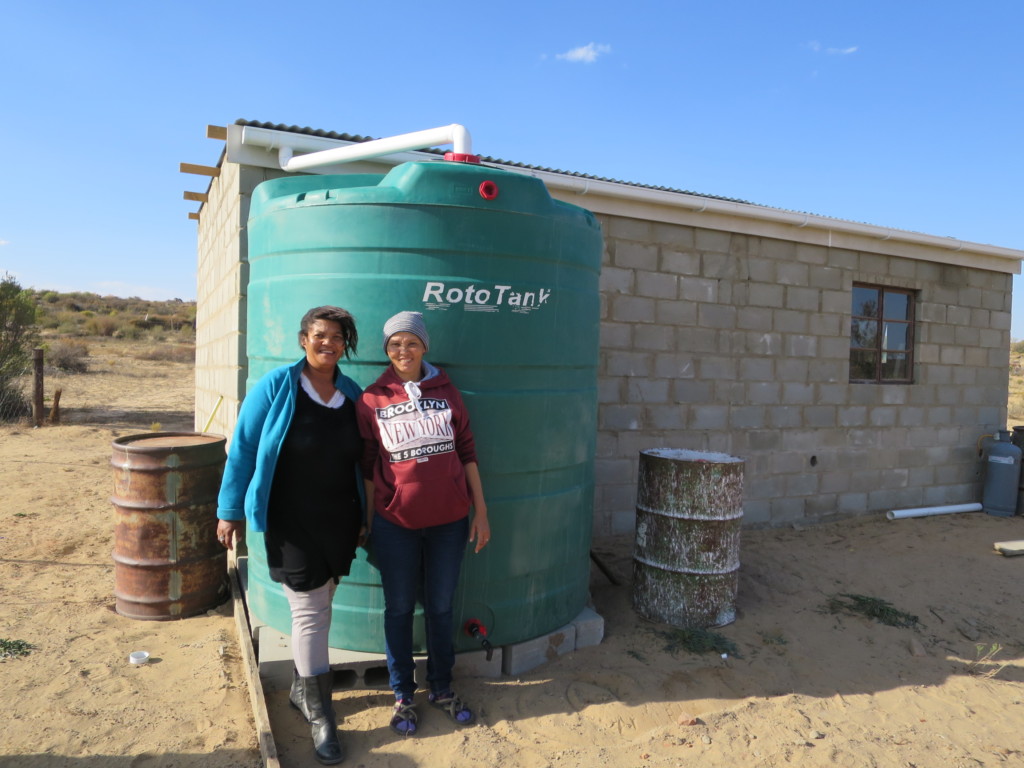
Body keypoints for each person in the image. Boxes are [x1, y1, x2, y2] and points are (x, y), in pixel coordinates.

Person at [216, 306, 362, 765]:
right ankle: (320, 713)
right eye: (319, 335)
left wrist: (368, 517)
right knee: (311, 610)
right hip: (289, 521)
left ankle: (303, 685)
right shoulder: (277, 387)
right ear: (303, 339)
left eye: (337, 337)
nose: (328, 343)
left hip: (339, 519)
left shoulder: (352, 393)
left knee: (325, 599)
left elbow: (366, 460)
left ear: (346, 345)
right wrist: (229, 510)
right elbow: (241, 448)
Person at [356, 311, 490, 737]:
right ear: (386, 349)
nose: (403, 350)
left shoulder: (447, 391)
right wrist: (369, 519)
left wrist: (481, 512)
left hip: (450, 521)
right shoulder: (372, 399)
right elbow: (366, 464)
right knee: (397, 608)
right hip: (396, 522)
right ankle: (402, 696)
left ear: (424, 346)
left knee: (440, 606)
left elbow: (467, 451)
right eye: (394, 343)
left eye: (411, 342)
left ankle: (442, 688)